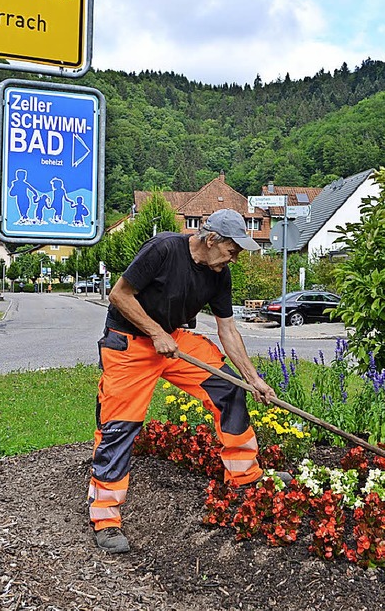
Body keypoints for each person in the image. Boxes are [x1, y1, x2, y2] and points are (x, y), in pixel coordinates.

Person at [88, 209, 286, 554]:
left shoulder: (219, 274)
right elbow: (119, 295)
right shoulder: (163, 249)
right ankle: (105, 517)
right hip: (131, 343)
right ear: (211, 240)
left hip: (175, 341)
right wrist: (155, 332)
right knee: (119, 426)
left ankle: (244, 475)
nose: (234, 259)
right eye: (232, 250)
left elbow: (227, 328)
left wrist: (253, 379)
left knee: (230, 388)